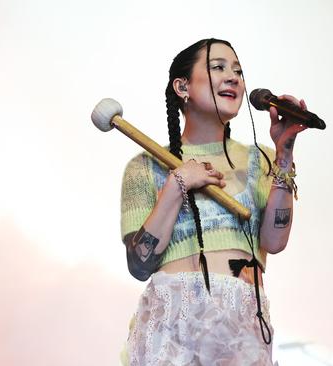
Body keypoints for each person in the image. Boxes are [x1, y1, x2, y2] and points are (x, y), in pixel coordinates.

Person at [119, 38, 308, 365]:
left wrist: (285, 153)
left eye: (238, 70)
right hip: (175, 325)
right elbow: (139, 264)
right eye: (218, 67)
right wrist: (179, 183)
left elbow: (274, 242)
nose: (233, 77)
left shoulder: (260, 159)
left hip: (243, 325)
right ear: (182, 86)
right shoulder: (146, 165)